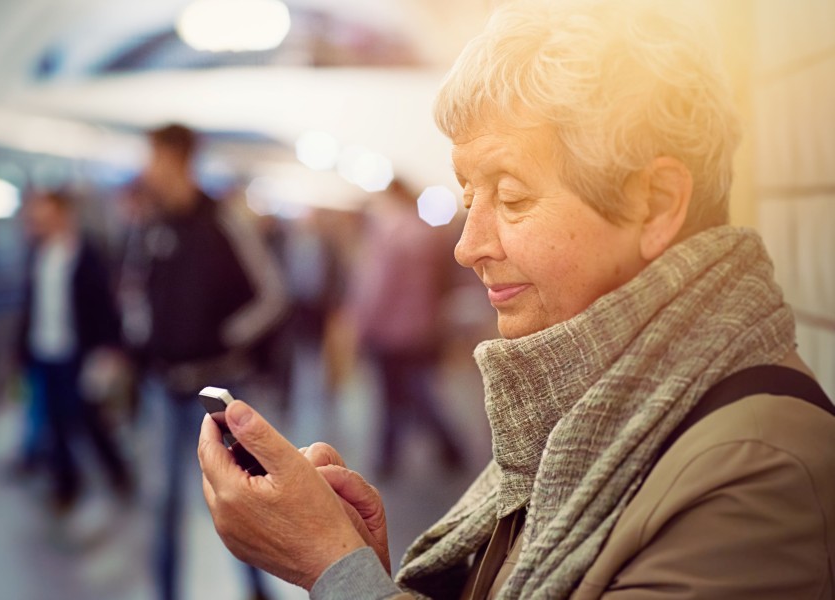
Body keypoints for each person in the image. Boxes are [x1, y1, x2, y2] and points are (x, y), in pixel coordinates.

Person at [197, 1, 835, 598]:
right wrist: (364, 562)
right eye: (470, 200)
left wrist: (333, 566)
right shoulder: (574, 406)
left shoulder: (757, 474)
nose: (467, 246)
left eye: (513, 196)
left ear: (656, 203)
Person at [122, 123, 288, 600]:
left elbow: (273, 294)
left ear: (178, 160)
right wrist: (142, 341)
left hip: (219, 387)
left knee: (244, 495)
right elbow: (137, 292)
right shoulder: (151, 225)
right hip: (164, 386)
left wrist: (226, 336)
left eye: (154, 158)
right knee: (163, 503)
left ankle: (258, 590)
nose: (148, 170)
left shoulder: (223, 219)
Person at [15, 190, 134, 512]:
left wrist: (111, 347)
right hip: (44, 350)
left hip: (78, 352)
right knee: (54, 423)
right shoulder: (37, 253)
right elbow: (30, 305)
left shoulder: (86, 252)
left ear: (63, 215)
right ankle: (65, 484)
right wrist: (21, 351)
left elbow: (104, 305)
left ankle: (117, 471)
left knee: (88, 417)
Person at [349, 179, 465, 479]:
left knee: (393, 396)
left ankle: (388, 458)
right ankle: (446, 448)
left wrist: (361, 327)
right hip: (422, 329)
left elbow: (377, 289)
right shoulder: (425, 232)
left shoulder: (388, 232)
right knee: (418, 390)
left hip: (389, 331)